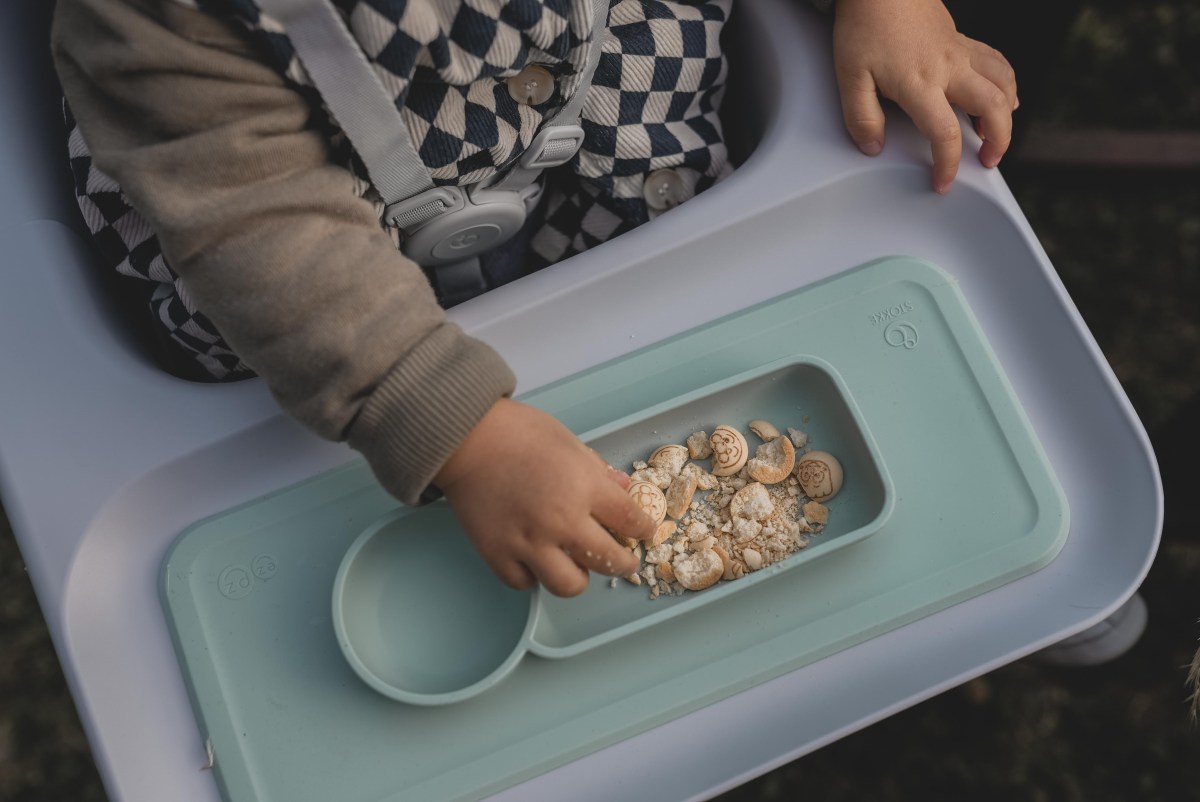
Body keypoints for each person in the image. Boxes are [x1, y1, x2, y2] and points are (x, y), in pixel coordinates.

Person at [51, 0, 1017, 597]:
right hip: (310, 224)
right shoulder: (160, 17)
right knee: (277, 326)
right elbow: (256, 220)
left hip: (597, 82)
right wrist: (459, 429)